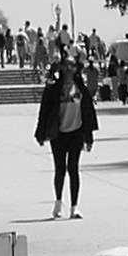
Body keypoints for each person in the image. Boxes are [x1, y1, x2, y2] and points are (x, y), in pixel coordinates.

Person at [35, 59, 97, 215]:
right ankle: (58, 202)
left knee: (73, 169)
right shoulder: (53, 88)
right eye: (66, 65)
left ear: (76, 69)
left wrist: (88, 137)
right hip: (58, 133)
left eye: (72, 66)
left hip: (76, 132)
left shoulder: (80, 89)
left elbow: (88, 113)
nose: (69, 68)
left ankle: (74, 206)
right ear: (61, 68)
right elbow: (44, 111)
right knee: (60, 169)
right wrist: (41, 133)